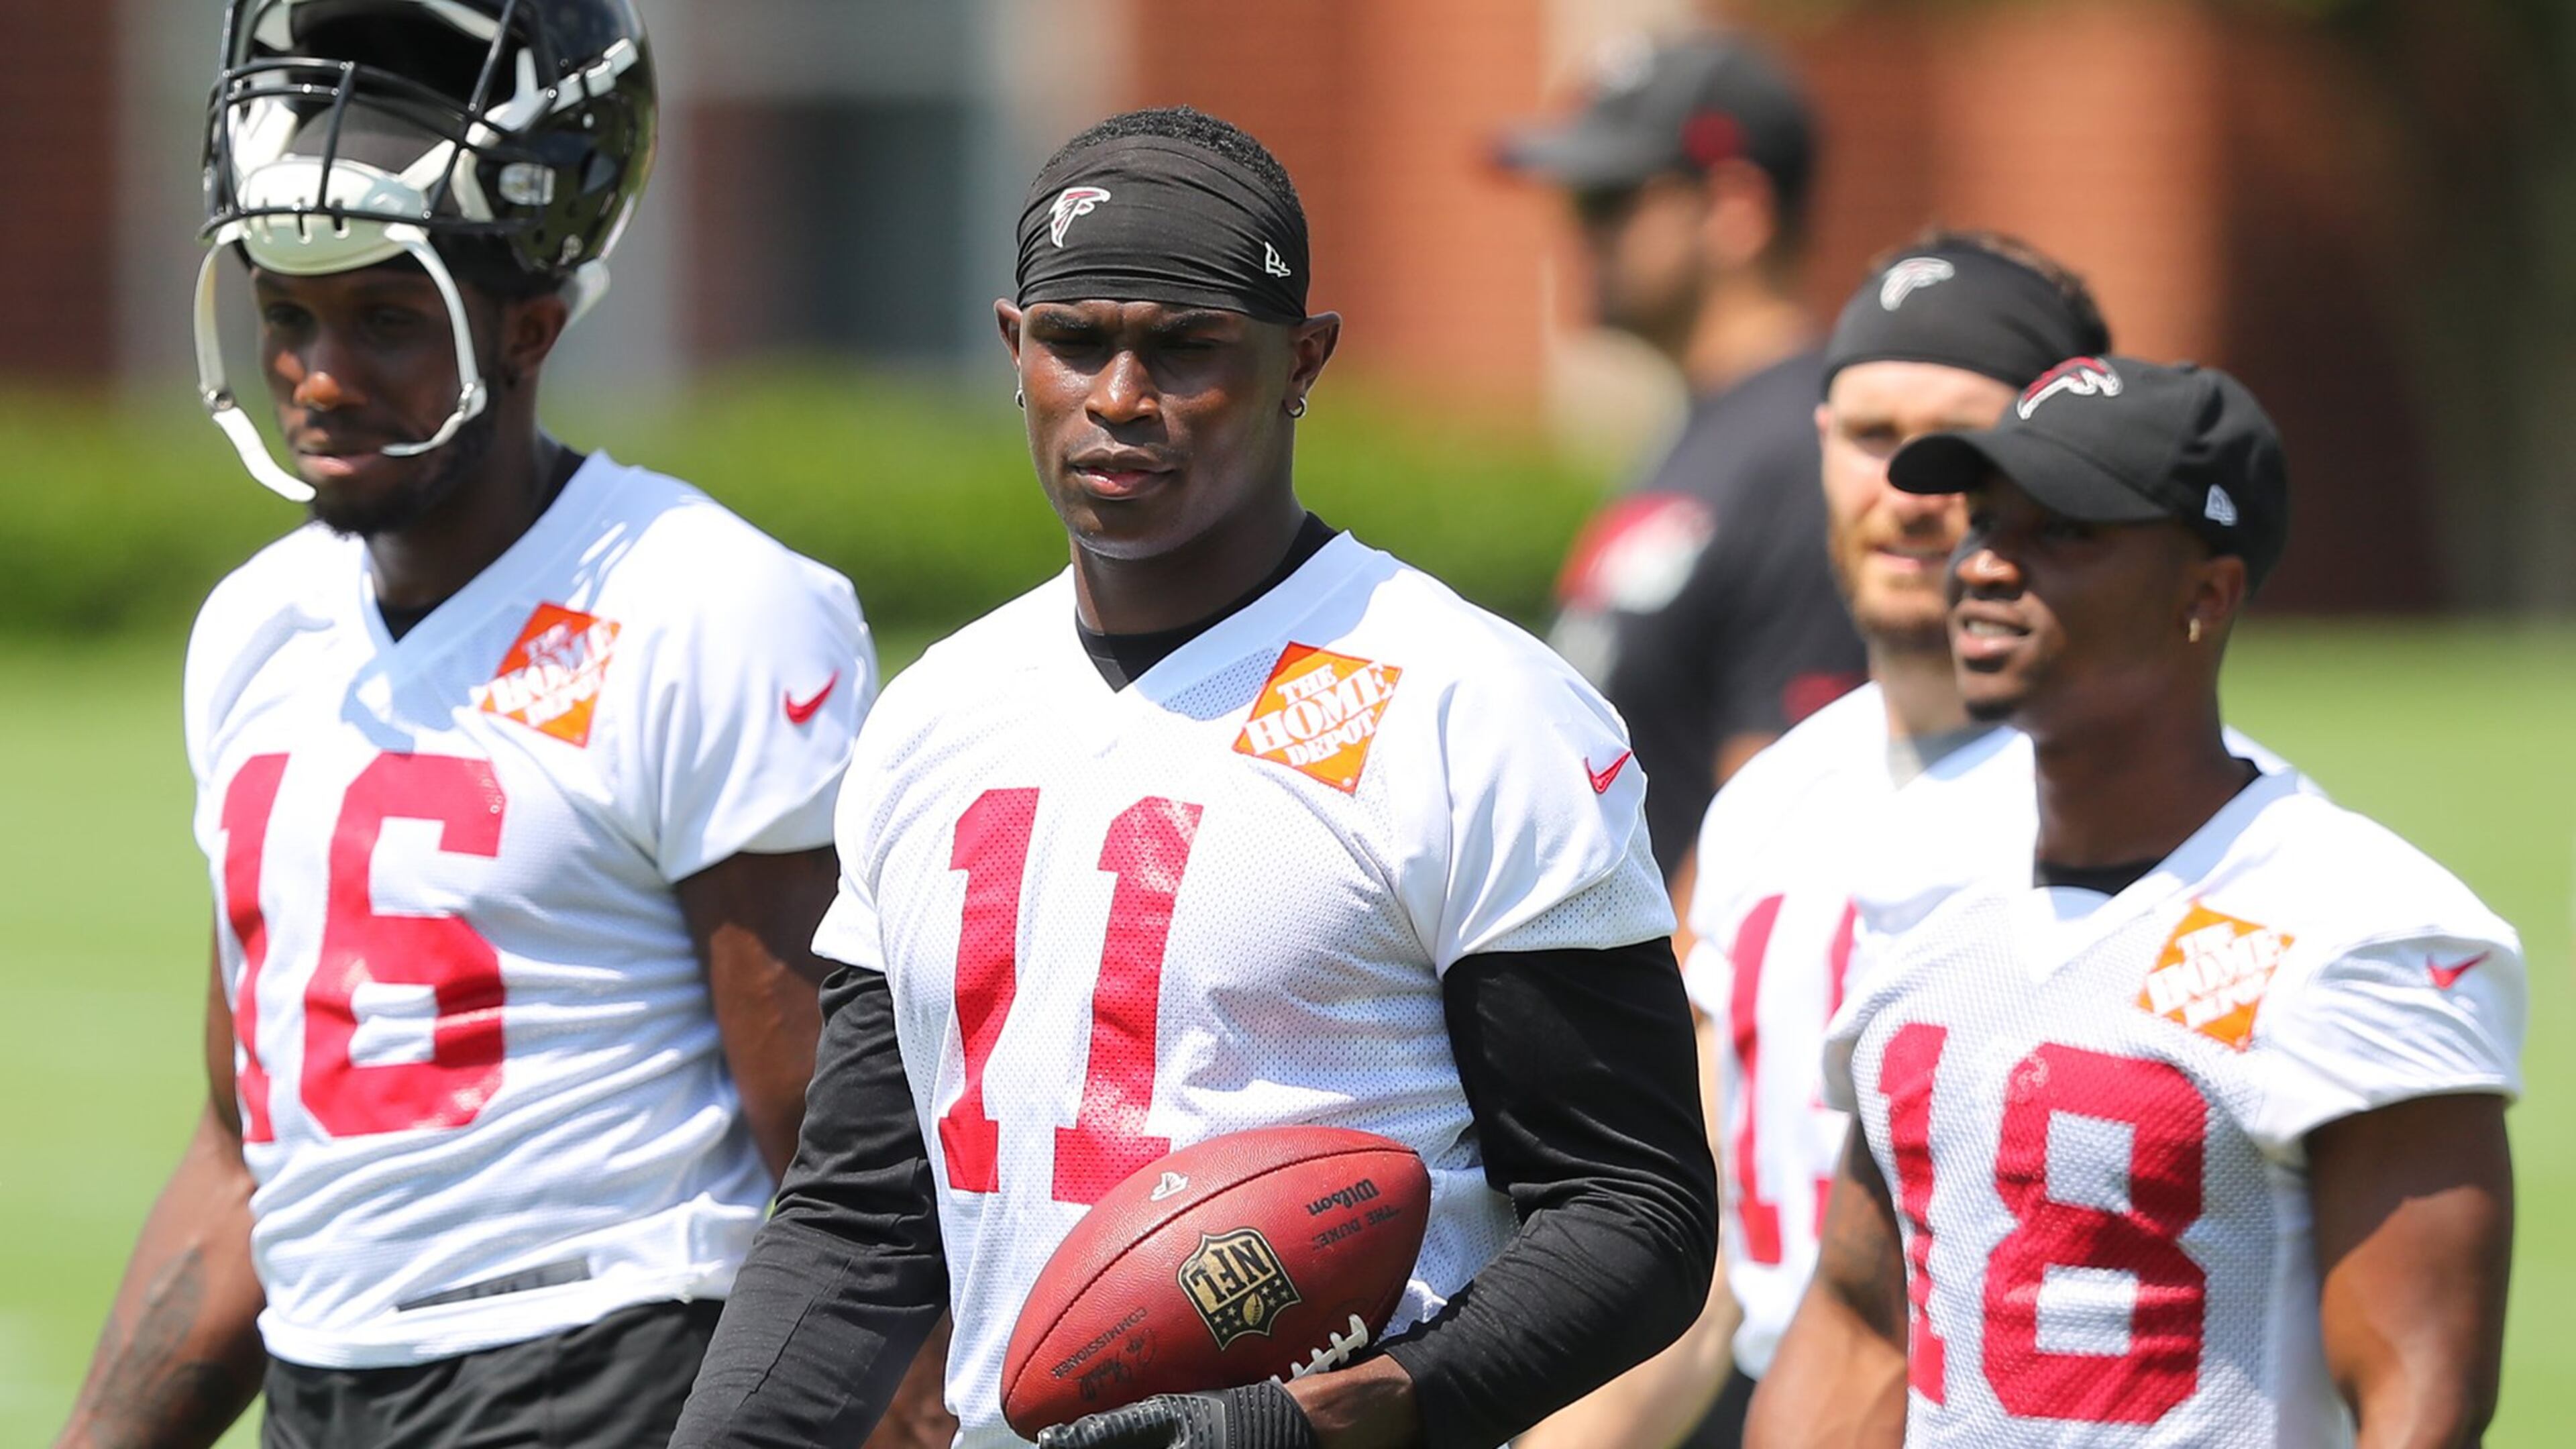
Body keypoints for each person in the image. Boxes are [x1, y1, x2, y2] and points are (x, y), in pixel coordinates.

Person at [670, 105, 1717, 1449]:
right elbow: (864, 1213)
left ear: (1303, 362)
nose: (1118, 398)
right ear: (1014, 348)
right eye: (1075, 342)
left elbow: (1634, 1206)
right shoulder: (935, 712)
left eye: (1184, 348)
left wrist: (1353, 1417)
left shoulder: (1470, 706)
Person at [51, 3, 948, 1445]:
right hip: (325, 1377)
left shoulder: (699, 604)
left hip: (605, 1364)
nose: (318, 377)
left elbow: (832, 1158)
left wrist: (923, 1417)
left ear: (528, 327)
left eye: (386, 319)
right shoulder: (256, 627)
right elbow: (244, 1155)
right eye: (287, 314)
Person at [1750, 358, 2522, 1446]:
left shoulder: (2363, 929)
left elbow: (2418, 1405)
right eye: (1985, 522)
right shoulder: (1922, 910)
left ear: (2204, 594)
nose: (1984, 567)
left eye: (2062, 532)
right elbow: (1860, 1325)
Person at [1521, 233, 2121, 1449]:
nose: (1904, 486)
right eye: (1867, 433)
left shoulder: (2129, 804)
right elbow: (1708, 1267)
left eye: (1958, 441)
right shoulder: (1772, 807)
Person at [1498, 31, 1865, 884]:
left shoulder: (1807, 450)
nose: (1578, 235)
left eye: (1610, 201)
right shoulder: (1704, 430)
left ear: (1736, 208)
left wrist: (1683, 1011)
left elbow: (1782, 811)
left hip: (1693, 1002)